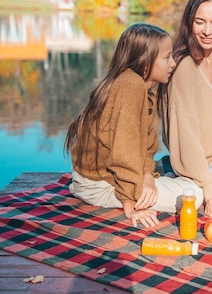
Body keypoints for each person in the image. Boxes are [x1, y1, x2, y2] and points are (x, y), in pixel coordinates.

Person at [64, 23, 203, 229]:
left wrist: (147, 176)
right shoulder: (130, 86)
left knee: (188, 186)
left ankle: (148, 183)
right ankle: (128, 192)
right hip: (99, 185)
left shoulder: (143, 86)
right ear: (143, 61)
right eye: (166, 58)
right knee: (194, 195)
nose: (172, 63)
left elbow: (146, 146)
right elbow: (123, 151)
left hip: (116, 177)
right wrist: (131, 203)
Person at [159, 0, 212, 219]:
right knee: (193, 196)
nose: (207, 31)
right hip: (197, 167)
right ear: (189, 22)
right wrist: (210, 191)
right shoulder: (184, 67)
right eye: (199, 22)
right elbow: (188, 137)